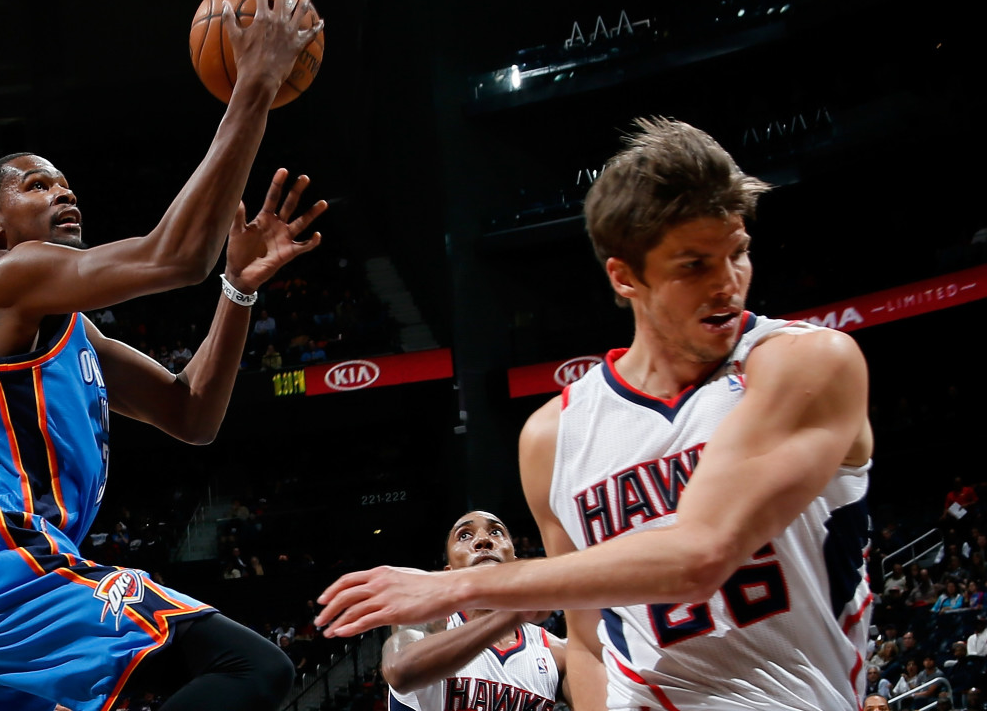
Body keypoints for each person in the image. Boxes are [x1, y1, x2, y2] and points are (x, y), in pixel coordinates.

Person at [315, 118, 875, 710]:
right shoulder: (554, 437)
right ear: (625, 276)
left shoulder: (806, 363)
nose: (728, 284)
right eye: (693, 266)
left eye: (737, 253)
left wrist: (457, 586)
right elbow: (586, 642)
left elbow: (699, 555)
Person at [0, 0, 326, 711]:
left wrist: (239, 289)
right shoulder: (7, 281)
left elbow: (192, 415)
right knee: (252, 669)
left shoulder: (68, 330)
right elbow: (174, 257)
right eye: (34, 186)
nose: (62, 192)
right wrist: (253, 83)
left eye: (64, 183)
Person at [380, 511, 567, 711]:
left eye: (496, 532)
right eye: (464, 535)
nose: (483, 540)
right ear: (449, 573)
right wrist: (513, 615)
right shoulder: (426, 622)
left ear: (515, 561)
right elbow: (399, 669)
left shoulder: (556, 651)